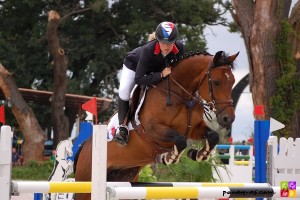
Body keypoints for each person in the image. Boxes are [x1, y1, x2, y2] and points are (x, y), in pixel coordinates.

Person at [115, 21, 184, 145]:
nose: (167, 47)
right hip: (135, 67)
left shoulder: (179, 48)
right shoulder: (148, 50)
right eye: (163, 43)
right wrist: (161, 75)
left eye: (170, 43)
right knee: (124, 91)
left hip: (157, 69)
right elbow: (139, 79)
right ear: (157, 40)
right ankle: (123, 128)